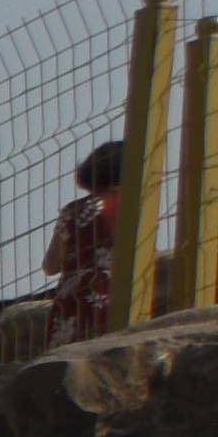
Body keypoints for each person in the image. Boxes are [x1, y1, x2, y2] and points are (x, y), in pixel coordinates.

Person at [49, 144, 140, 339]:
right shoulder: (129, 205)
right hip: (111, 296)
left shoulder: (70, 211)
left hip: (70, 302)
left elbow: (51, 266)